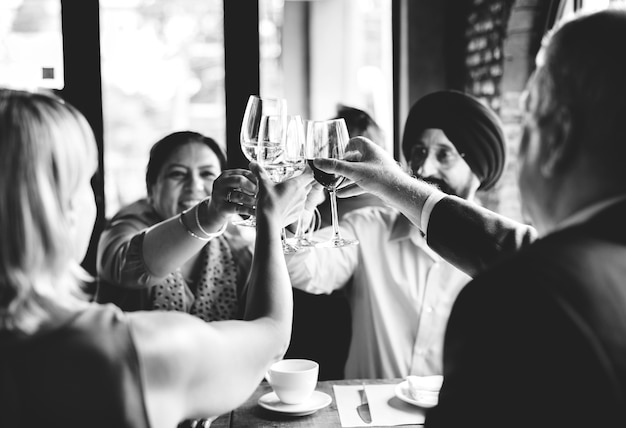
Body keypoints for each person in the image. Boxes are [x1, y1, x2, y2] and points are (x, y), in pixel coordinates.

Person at [313, 8, 626, 426]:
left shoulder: (515, 295)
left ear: (559, 136)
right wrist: (392, 184)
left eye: (527, 115)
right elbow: (519, 249)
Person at [0, 87, 314, 428]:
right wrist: (271, 220)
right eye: (85, 181)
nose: (194, 184)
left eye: (207, 174)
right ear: (63, 206)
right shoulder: (136, 348)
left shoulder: (236, 244)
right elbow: (269, 337)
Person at [286, 90, 507, 379]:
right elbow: (301, 269)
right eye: (419, 153)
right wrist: (296, 216)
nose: (426, 168)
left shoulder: (502, 260)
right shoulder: (368, 227)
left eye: (444, 155)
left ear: (478, 170)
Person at [96, 131, 255, 322]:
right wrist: (208, 216)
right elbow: (127, 268)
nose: (194, 185)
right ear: (151, 188)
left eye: (207, 174)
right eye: (177, 174)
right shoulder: (124, 228)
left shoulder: (236, 249)